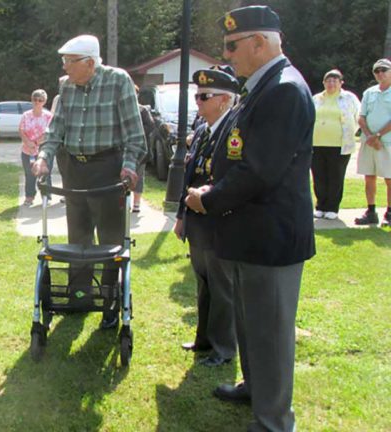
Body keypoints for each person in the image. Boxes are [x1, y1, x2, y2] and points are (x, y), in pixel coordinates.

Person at [185, 6, 315, 431]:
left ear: (260, 43)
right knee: (250, 323)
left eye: (232, 46)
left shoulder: (283, 90)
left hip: (270, 237)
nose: (227, 57)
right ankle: (255, 390)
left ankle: (274, 420)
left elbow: (260, 170)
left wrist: (210, 199)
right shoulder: (264, 86)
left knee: (272, 335)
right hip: (250, 232)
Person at [32, 34, 146, 329]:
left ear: (90, 63)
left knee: (110, 241)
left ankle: (109, 301)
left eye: (69, 62)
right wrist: (44, 156)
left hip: (108, 169)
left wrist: (129, 168)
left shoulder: (118, 81)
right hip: (74, 169)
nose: (64, 67)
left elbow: (135, 135)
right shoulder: (66, 86)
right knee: (78, 237)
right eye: (65, 61)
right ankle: (80, 296)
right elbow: (55, 129)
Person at [174, 67, 238, 368]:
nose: (197, 101)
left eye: (204, 96)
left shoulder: (235, 130)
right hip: (197, 221)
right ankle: (204, 339)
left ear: (225, 100)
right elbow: (189, 174)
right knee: (203, 282)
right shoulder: (203, 129)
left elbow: (233, 178)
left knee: (222, 287)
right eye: (196, 95)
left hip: (220, 221)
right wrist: (181, 215)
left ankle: (224, 348)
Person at [311, 69, 361, 220]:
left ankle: (332, 207)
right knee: (319, 176)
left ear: (341, 83)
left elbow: (358, 117)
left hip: (340, 145)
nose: (331, 83)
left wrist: (349, 133)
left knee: (335, 176)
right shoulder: (317, 98)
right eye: (328, 81)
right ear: (324, 83)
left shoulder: (348, 98)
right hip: (317, 143)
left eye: (335, 81)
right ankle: (320, 206)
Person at [355, 58, 391, 226]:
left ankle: (390, 213)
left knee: (389, 178)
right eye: (376, 71)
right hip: (369, 142)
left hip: (387, 142)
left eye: (384, 70)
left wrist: (377, 136)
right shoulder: (369, 92)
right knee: (369, 176)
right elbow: (361, 117)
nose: (380, 73)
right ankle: (371, 211)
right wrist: (370, 136)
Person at [19, 89, 53, 206]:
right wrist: (28, 142)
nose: (37, 102)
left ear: (44, 102)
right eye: (35, 99)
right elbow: (21, 130)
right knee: (29, 174)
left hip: (43, 151)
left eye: (40, 100)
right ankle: (29, 197)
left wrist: (38, 142)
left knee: (45, 174)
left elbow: (50, 132)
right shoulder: (26, 115)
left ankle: (46, 197)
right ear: (32, 100)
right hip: (27, 151)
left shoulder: (48, 116)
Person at [133, 84, 155, 213]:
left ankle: (136, 203)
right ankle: (123, 202)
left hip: (141, 150)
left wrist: (137, 132)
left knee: (139, 176)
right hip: (122, 150)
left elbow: (151, 126)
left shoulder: (143, 110)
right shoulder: (120, 109)